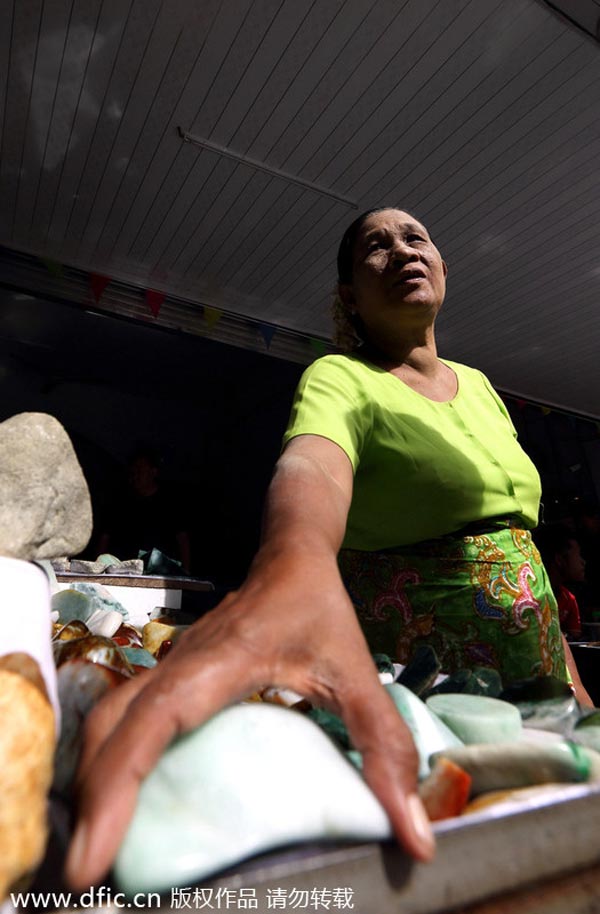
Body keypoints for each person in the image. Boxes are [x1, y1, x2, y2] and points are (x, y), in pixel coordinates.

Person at [66, 207, 575, 888]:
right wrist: (292, 562)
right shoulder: (341, 377)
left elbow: (520, 554)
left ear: (443, 267)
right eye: (376, 246)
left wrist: (577, 689)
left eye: (415, 238)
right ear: (348, 297)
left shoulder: (480, 386)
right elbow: (312, 470)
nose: (401, 250)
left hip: (544, 685)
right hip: (430, 700)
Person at [96, 446, 191, 574]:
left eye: (141, 468)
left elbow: (182, 539)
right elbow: (105, 537)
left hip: (159, 573)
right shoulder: (121, 501)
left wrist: (186, 571)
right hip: (124, 572)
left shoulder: (170, 502)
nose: (136, 473)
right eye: (134, 469)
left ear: (153, 471)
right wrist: (99, 569)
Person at [534, 524, 584, 640]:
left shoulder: (569, 599)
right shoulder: (533, 597)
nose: (583, 562)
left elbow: (575, 636)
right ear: (559, 559)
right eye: (579, 554)